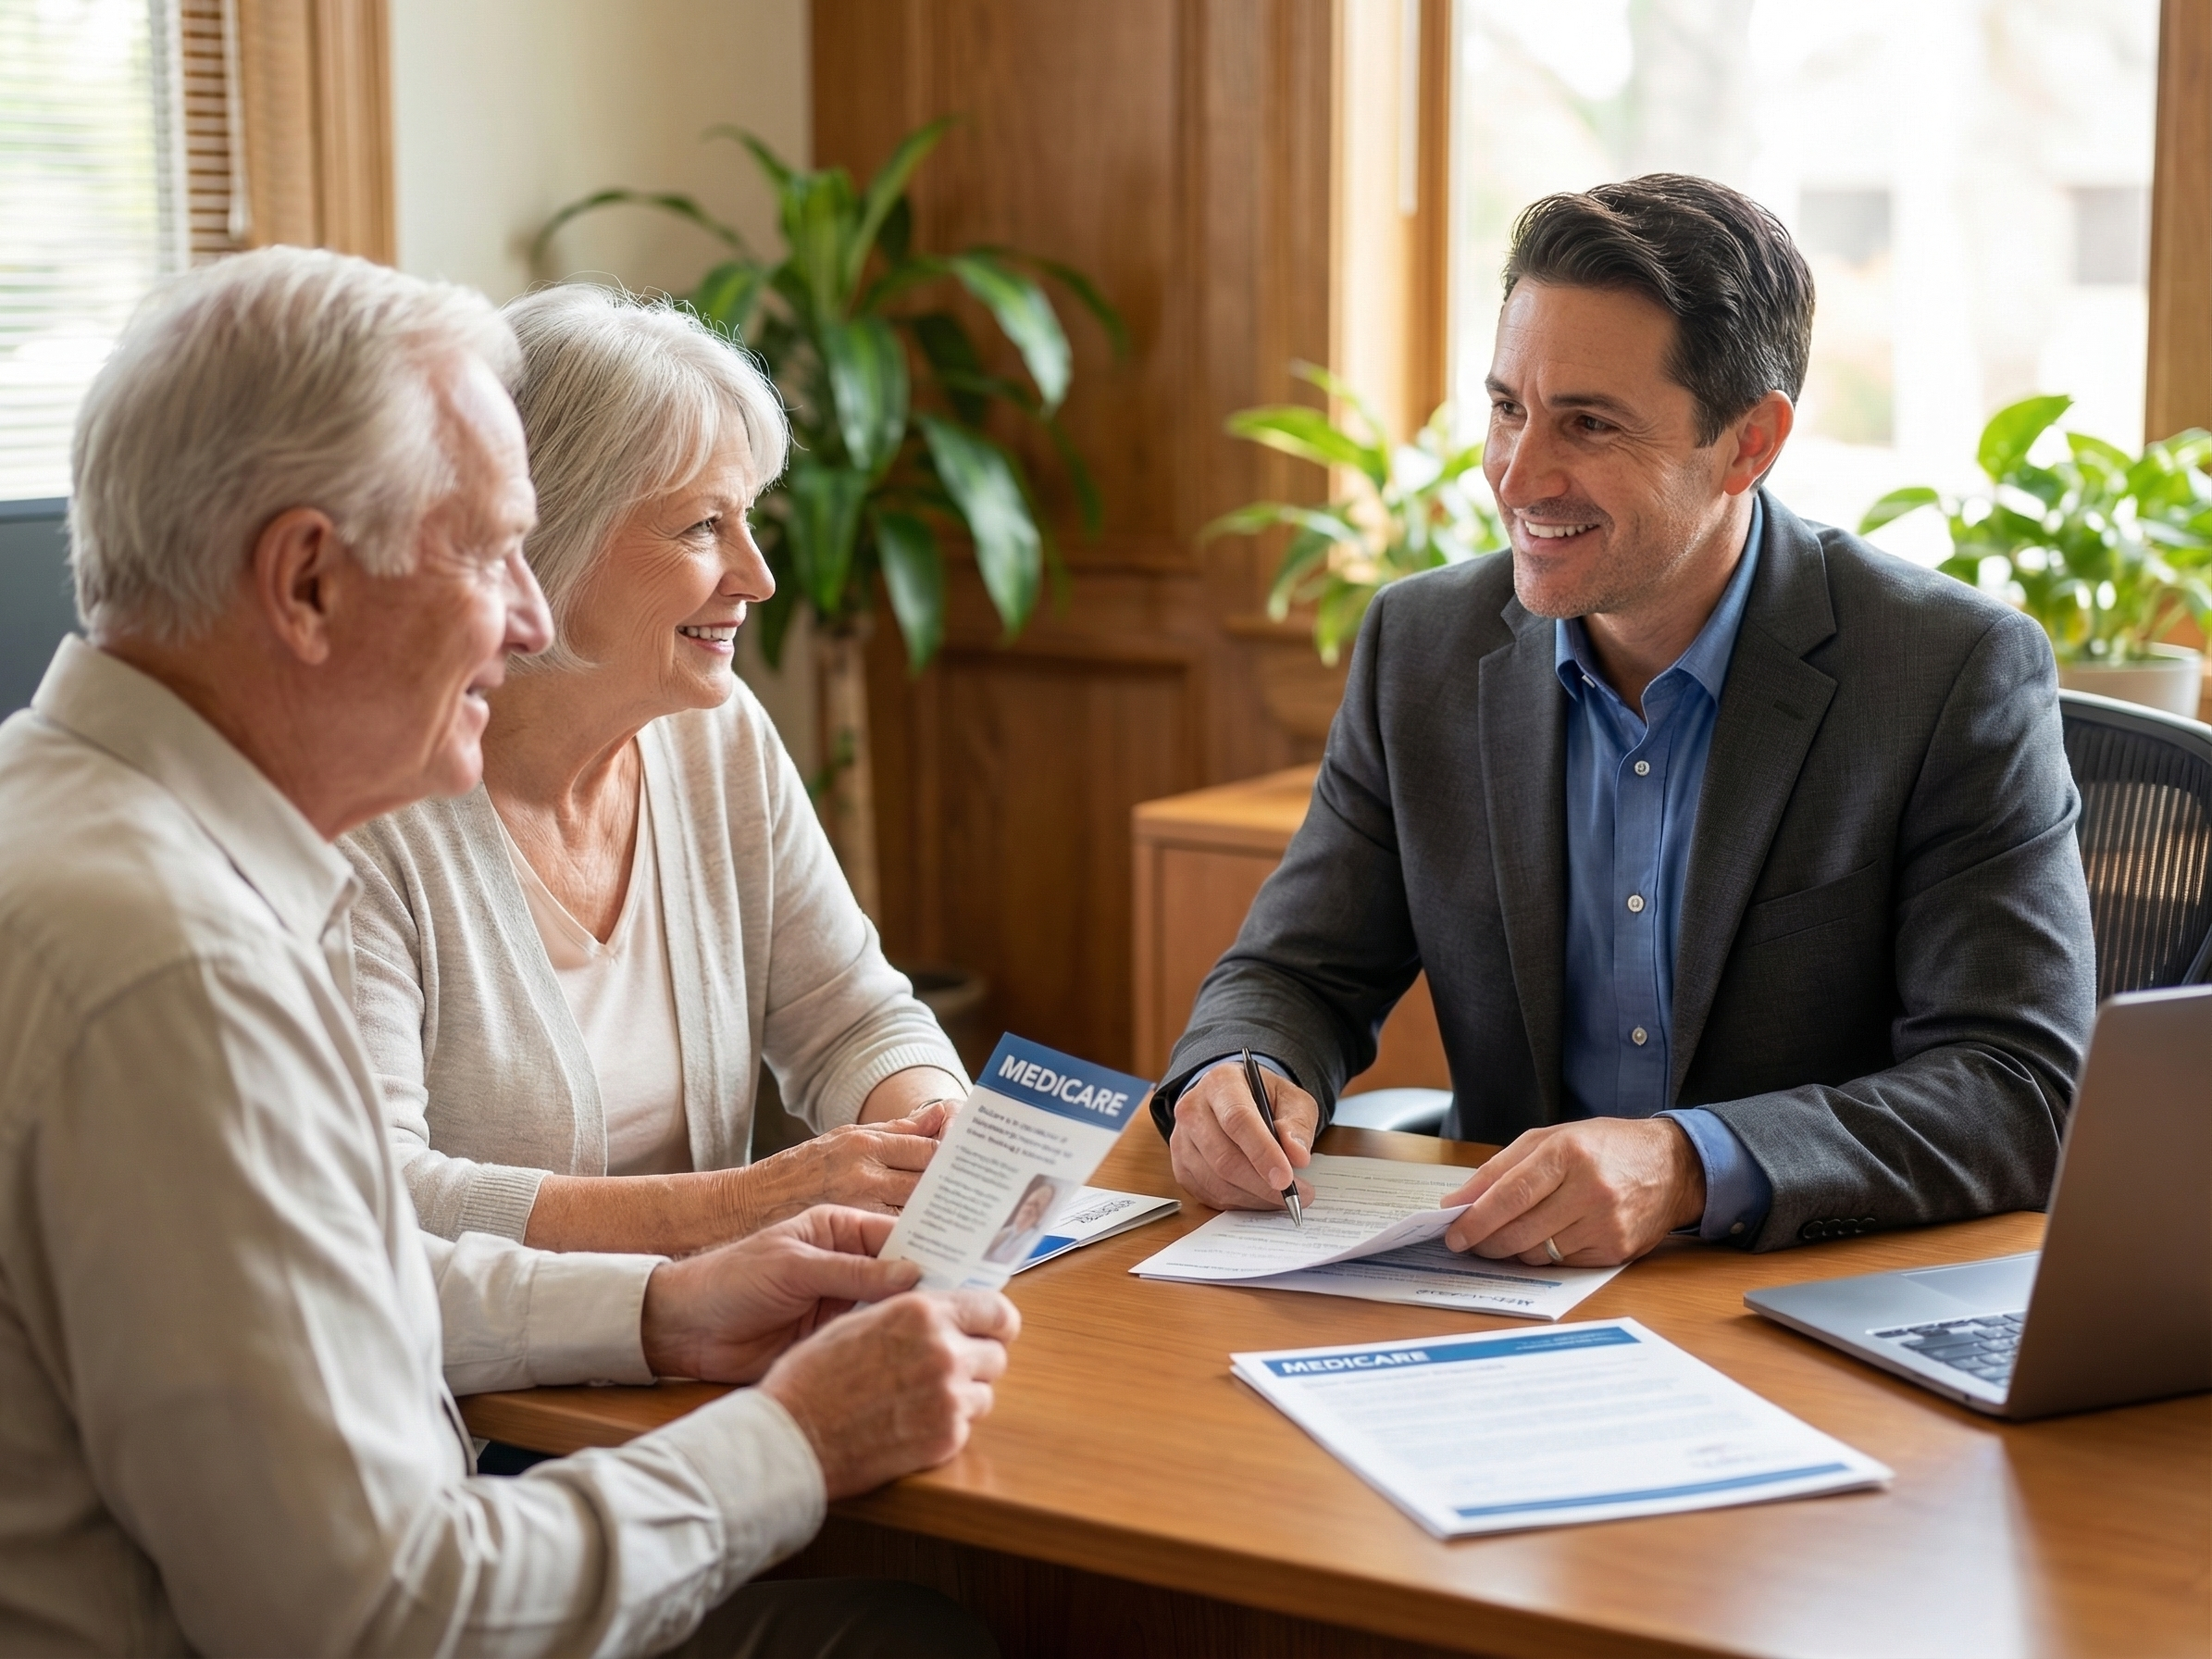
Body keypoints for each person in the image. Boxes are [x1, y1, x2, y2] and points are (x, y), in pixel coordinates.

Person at [0, 245, 1014, 1657]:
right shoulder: (182, 969)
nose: (526, 617)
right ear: (304, 583)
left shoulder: (77, 832)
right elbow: (389, 1614)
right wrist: (791, 1441)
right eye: (487, 554)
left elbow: (332, 1286)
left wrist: (664, 1313)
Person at [1156, 174, 2096, 1265]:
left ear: (1749, 442)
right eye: (1507, 406)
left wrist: (1688, 1163)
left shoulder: (1946, 671)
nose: (1516, 475)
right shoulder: (1421, 647)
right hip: (1502, 1290)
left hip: (1801, 1298)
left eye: (1587, 424)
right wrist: (1238, 1071)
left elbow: (2017, 1086)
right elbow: (1297, 972)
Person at [342, 284, 966, 1261]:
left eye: (747, 518)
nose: (758, 576)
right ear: (545, 539)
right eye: (701, 527)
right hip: (487, 1402)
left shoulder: (715, 740)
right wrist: (751, 1203)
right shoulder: (366, 807)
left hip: (717, 1353)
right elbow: (383, 1198)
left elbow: (851, 1019)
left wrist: (931, 1134)